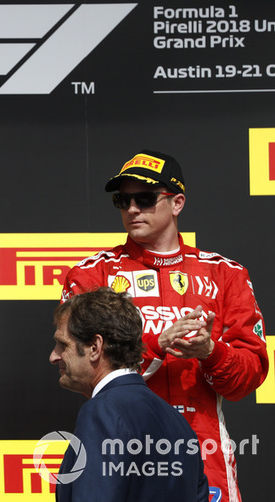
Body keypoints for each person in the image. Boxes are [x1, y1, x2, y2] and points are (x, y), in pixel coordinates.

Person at [61, 150, 268, 502]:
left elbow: (248, 378)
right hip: (121, 454)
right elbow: (82, 369)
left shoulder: (225, 274)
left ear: (177, 203)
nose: (131, 209)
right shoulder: (92, 275)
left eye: (144, 198)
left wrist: (212, 353)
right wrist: (156, 344)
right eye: (122, 200)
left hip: (207, 454)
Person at [50, 288, 209, 501]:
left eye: (63, 344)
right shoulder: (179, 424)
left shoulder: (102, 412)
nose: (53, 356)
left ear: (95, 348)